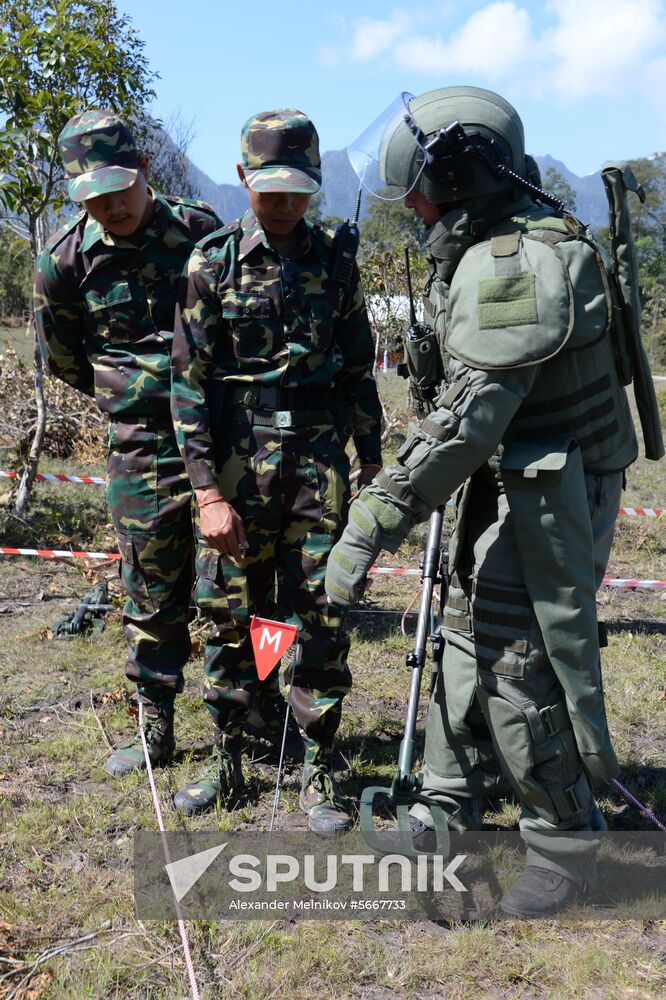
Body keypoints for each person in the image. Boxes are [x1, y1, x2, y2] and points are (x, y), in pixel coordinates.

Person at [326, 87, 663, 913]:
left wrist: (367, 526)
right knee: (461, 634)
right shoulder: (486, 243)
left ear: (460, 175)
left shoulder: (518, 264)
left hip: (555, 488)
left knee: (520, 661)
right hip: (517, 471)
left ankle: (566, 845)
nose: (410, 206)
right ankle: (449, 802)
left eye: (418, 190)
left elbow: (465, 423)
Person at [34, 109, 298, 778]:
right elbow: (67, 357)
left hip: (222, 441)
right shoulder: (64, 263)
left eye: (119, 186)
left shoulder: (201, 232)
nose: (110, 204)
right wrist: (135, 392)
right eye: (91, 193)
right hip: (141, 450)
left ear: (146, 171)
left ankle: (257, 715)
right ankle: (155, 726)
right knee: (149, 593)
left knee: (241, 589)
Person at [170, 108, 382, 833]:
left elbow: (358, 369)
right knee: (232, 610)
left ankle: (320, 757)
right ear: (243, 180)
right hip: (236, 465)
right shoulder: (211, 263)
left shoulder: (336, 261)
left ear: (315, 185)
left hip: (319, 464)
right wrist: (205, 492)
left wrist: (374, 461)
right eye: (271, 190)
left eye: (299, 189)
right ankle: (227, 750)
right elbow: (187, 386)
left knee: (319, 611)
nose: (286, 203)